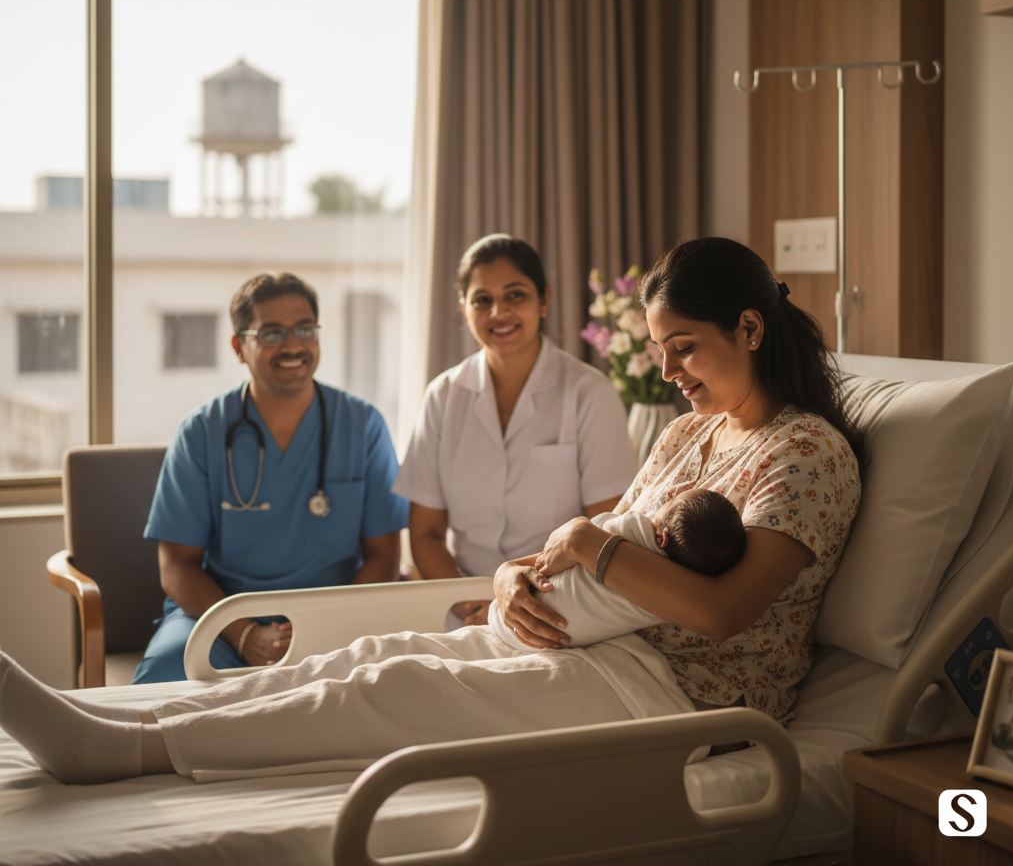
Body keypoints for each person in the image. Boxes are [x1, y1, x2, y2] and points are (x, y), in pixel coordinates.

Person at [0, 237, 863, 784]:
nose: (668, 371)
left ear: (750, 330)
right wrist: (517, 577)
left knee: (391, 693)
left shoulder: (806, 453)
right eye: (659, 350)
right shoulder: (688, 435)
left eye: (684, 348)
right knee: (375, 654)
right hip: (589, 637)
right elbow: (602, 545)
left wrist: (581, 544)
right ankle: (134, 716)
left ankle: (124, 752)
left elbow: (720, 609)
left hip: (678, 694)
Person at [131, 272, 409, 684]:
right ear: (238, 347)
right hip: (222, 620)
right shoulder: (202, 432)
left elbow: (384, 556)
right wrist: (244, 634)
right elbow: (176, 566)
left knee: (389, 687)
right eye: (272, 333)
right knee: (167, 676)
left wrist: (325, 627)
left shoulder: (362, 425)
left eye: (305, 329)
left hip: (339, 617)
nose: (293, 345)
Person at [394, 234, 635, 626]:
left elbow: (602, 530)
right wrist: (469, 602)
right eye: (482, 300)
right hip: (463, 610)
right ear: (463, 308)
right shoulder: (442, 396)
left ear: (544, 300)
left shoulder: (589, 394)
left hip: (557, 605)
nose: (498, 312)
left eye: (515, 295)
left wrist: (523, 600)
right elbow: (426, 533)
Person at [487, 487, 747, 651]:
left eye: (672, 501)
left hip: (523, 631)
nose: (667, 498)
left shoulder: (637, 532)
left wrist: (581, 535)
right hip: (542, 636)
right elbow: (567, 549)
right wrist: (506, 572)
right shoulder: (666, 602)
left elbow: (590, 534)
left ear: (662, 538)